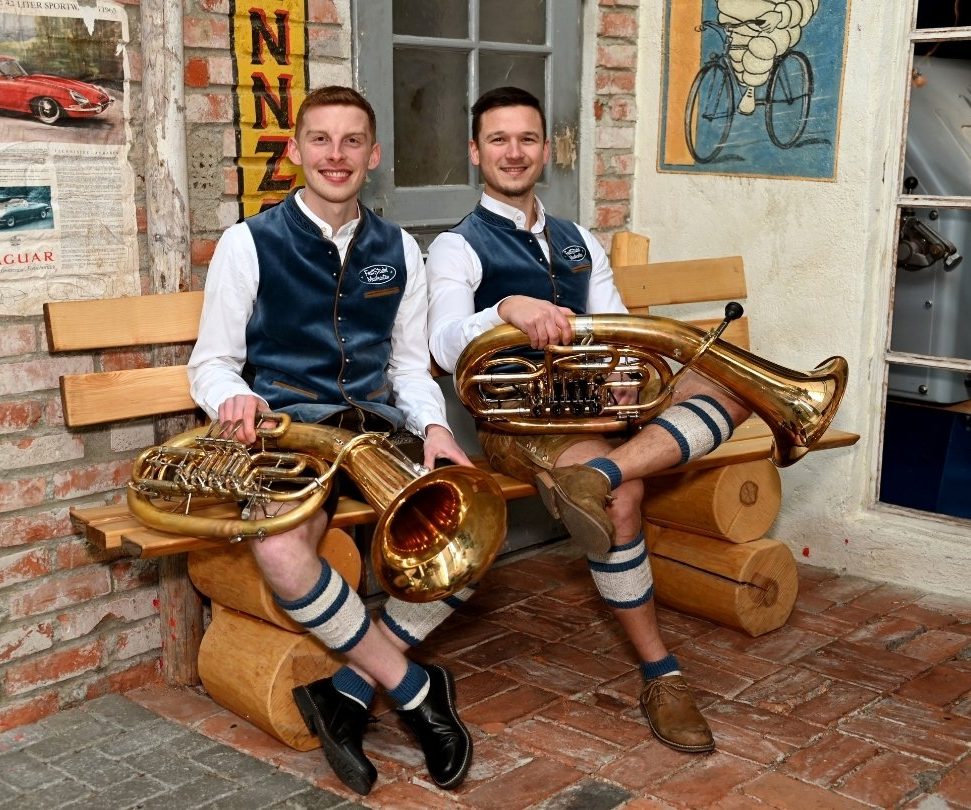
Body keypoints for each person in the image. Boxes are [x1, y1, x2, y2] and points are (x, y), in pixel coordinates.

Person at [426, 86, 753, 755]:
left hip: (598, 405)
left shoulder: (579, 240)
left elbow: (619, 328)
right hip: (519, 421)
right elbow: (443, 341)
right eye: (497, 140)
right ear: (474, 153)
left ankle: (600, 470)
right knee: (624, 498)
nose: (513, 152)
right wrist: (504, 309)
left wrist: (628, 371)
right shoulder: (456, 247)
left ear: (545, 150)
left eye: (525, 139)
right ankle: (660, 672)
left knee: (733, 386)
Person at [187, 86, 475, 796]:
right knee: (282, 553)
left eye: (352, 141)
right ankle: (413, 690)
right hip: (289, 433)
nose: (335, 155)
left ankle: (346, 689)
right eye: (320, 140)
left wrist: (434, 425)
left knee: (470, 529)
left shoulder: (400, 248)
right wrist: (234, 396)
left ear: (373, 156)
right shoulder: (247, 242)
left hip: (373, 431)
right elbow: (211, 363)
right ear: (295, 150)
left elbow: (407, 365)